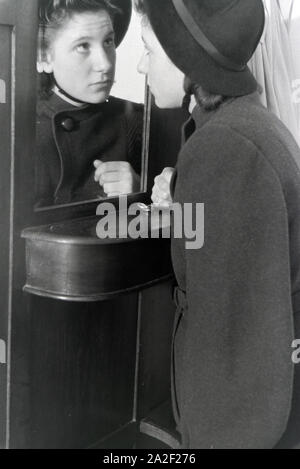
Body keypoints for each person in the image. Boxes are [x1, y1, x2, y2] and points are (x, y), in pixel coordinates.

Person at [135, 0, 300, 449]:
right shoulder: (250, 126)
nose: (139, 64)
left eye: (148, 49)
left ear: (180, 56)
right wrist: (180, 205)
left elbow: (232, 331)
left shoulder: (223, 145)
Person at [36, 0, 143, 207]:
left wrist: (140, 193)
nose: (105, 64)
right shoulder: (13, 129)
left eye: (108, 42)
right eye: (83, 46)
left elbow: (180, 220)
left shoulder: (137, 123)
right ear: (44, 57)